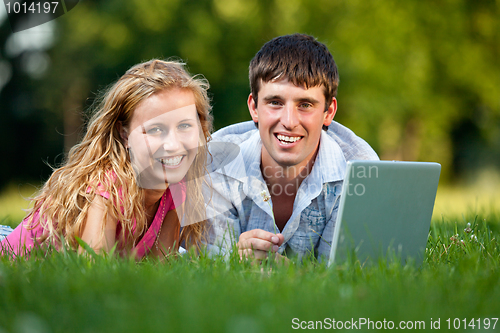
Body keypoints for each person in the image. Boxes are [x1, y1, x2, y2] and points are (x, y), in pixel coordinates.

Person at [0, 59, 212, 258]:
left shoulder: (178, 187)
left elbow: (161, 269)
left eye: (184, 126)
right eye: (156, 129)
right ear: (125, 134)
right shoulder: (109, 186)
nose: (173, 145)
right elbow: (93, 270)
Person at [207, 34, 379, 261]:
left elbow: (343, 273)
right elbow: (210, 263)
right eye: (275, 102)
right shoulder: (216, 160)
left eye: (305, 104)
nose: (289, 121)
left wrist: (283, 272)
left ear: (329, 112)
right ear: (254, 108)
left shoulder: (359, 170)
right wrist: (232, 257)